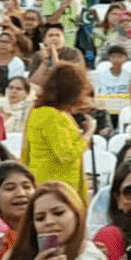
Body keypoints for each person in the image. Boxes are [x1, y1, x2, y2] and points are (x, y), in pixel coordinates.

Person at [23, 63, 93, 206]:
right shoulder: (54, 116)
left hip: (42, 181)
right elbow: (66, 155)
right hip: (58, 188)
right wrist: (88, 133)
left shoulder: (38, 112)